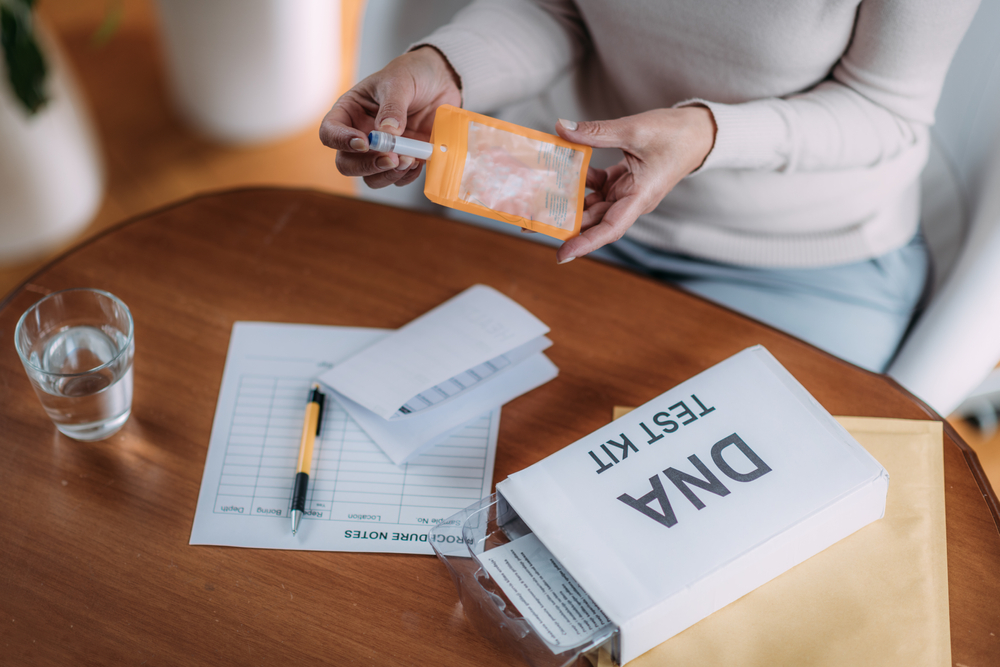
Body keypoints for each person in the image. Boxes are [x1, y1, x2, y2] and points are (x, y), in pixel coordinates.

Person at [319, 0, 980, 372]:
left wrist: (706, 134)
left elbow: (886, 108)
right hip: (571, 196)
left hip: (800, 258)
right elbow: (558, 8)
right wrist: (448, 67)